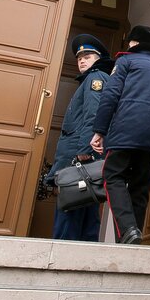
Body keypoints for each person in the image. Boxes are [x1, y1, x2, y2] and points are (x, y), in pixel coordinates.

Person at [90, 24, 150, 244]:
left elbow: (110, 96)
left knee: (113, 175)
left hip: (126, 130)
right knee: (140, 187)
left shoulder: (126, 61)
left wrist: (99, 130)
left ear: (135, 43)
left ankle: (127, 230)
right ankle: (131, 239)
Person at [45, 34, 116, 241]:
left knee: (70, 208)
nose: (82, 60)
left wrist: (85, 151)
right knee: (86, 208)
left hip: (79, 157)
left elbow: (93, 116)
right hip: (83, 156)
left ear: (99, 58)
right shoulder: (92, 79)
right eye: (79, 57)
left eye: (88, 56)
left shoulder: (95, 79)